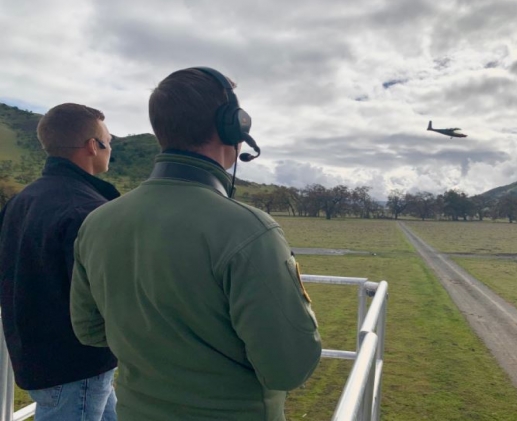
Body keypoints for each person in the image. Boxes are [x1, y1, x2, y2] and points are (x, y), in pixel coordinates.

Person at [70, 67, 322, 421]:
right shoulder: (249, 230)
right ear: (232, 126)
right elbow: (289, 367)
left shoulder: (97, 222)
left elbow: (90, 331)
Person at [0, 103, 119, 420]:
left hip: (34, 355)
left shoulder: (21, 201)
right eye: (108, 142)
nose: (110, 149)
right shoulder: (88, 209)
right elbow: (104, 295)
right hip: (76, 363)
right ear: (93, 146)